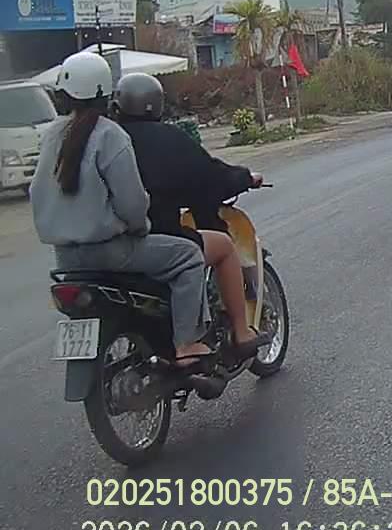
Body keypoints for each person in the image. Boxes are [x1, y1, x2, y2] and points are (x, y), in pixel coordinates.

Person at [29, 53, 210, 367]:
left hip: (66, 259)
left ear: (63, 95)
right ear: (107, 94)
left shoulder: (52, 135)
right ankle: (186, 344)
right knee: (189, 257)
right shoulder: (110, 135)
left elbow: (36, 193)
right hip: (112, 252)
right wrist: (139, 229)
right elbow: (132, 203)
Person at [110, 72, 273, 364]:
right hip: (150, 240)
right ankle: (241, 333)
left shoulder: (104, 140)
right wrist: (245, 178)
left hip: (99, 245)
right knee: (223, 247)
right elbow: (209, 176)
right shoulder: (167, 139)